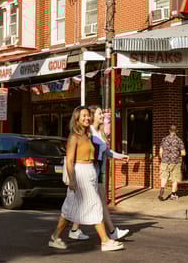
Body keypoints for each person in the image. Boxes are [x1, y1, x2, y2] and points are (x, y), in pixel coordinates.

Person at [49, 106, 124, 252]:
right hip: (80, 173)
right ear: (76, 118)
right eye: (83, 116)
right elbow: (70, 161)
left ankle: (55, 237)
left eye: (88, 116)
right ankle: (105, 241)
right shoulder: (74, 137)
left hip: (90, 172)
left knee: (69, 208)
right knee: (95, 204)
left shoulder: (88, 135)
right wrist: (72, 180)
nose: (87, 118)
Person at [68, 106, 130, 242]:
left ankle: (73, 230)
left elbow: (106, 151)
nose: (102, 115)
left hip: (99, 171)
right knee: (99, 203)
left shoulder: (99, 133)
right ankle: (111, 233)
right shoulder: (88, 132)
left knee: (82, 203)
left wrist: (120, 156)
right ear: (92, 116)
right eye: (99, 113)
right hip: (92, 171)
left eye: (102, 113)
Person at [158, 125, 186, 201]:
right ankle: (173, 195)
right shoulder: (179, 140)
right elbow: (183, 153)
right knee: (175, 178)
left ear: (169, 130)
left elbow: (160, 152)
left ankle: (162, 190)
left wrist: (163, 158)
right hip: (175, 162)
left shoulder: (164, 139)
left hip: (164, 161)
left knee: (164, 176)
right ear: (176, 131)